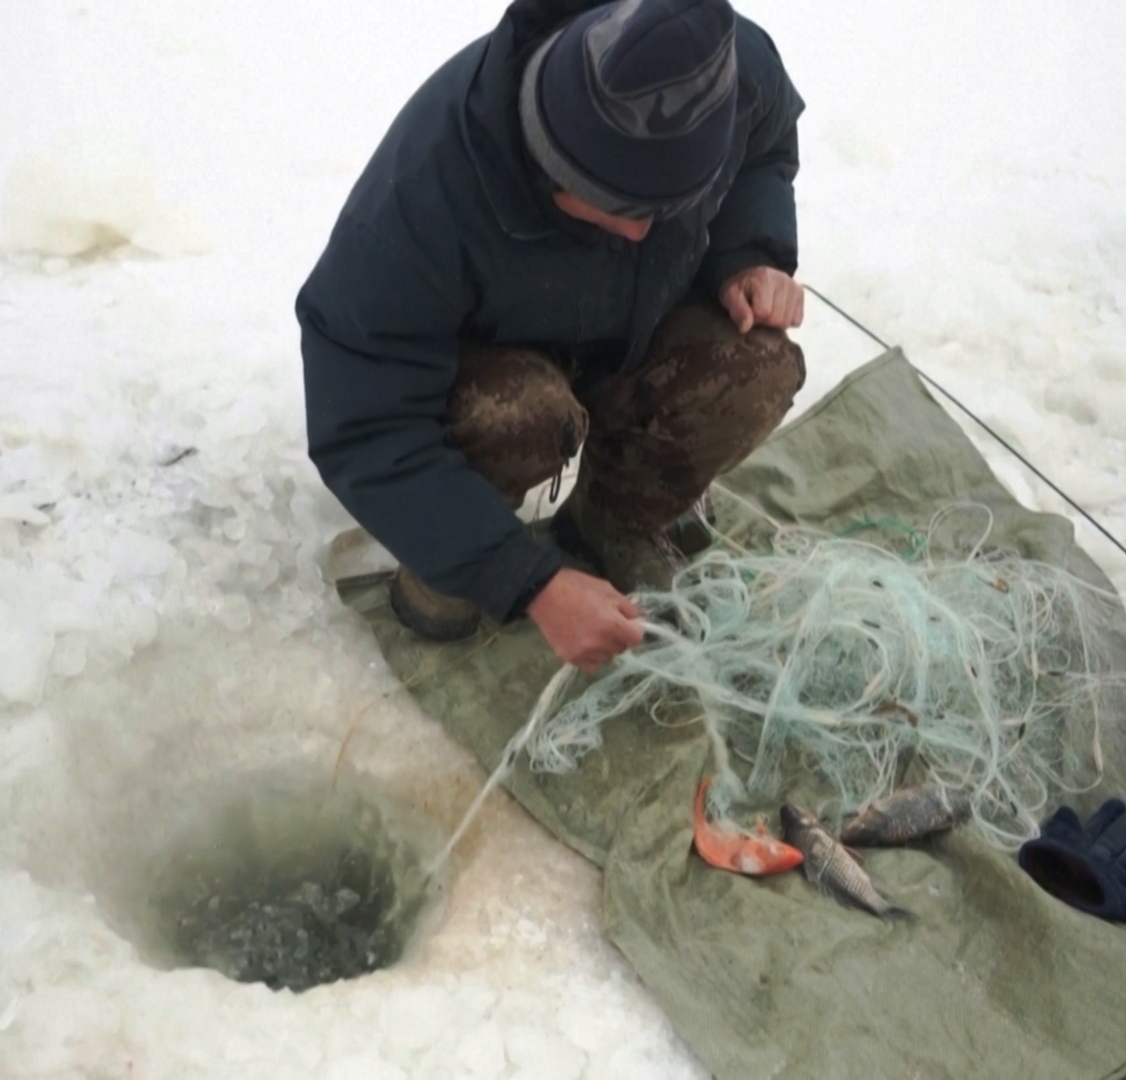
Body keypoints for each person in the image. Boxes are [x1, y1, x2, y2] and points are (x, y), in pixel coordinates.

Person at [297, 0, 806, 673]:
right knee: (521, 420)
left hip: (627, 330)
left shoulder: (724, 70)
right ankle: (453, 560)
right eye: (616, 205)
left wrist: (750, 251)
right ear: (549, 153)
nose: (639, 233)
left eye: (668, 206)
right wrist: (526, 580)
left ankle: (615, 515)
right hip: (490, 370)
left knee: (757, 365)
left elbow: (763, 151)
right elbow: (365, 423)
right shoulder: (424, 192)